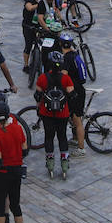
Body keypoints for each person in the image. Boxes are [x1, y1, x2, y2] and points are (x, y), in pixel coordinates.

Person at [33, 49, 74, 180]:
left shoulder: (43, 78)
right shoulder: (66, 78)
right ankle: (65, 163)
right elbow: (72, 94)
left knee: (49, 137)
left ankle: (50, 163)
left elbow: (37, 95)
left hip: (47, 113)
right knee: (62, 137)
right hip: (63, 113)